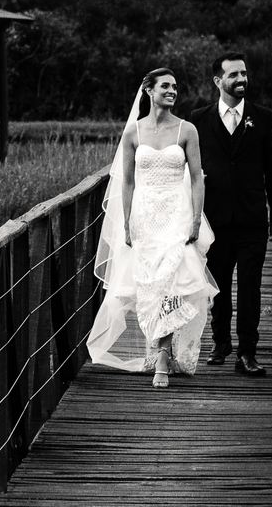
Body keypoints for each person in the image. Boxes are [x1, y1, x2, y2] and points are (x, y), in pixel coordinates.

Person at [88, 68, 218, 388]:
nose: (172, 91)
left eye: (175, 87)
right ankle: (161, 349)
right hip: (145, 214)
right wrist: (126, 222)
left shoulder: (186, 130)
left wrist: (195, 218)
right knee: (150, 285)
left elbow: (197, 177)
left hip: (177, 212)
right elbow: (127, 181)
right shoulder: (133, 132)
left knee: (172, 281)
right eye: (165, 86)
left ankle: (162, 355)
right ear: (149, 90)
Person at [189, 52, 272, 377]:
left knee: (250, 287)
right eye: (234, 75)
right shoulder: (198, 119)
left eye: (243, 73)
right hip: (214, 219)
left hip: (251, 217)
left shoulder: (263, 117)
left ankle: (247, 352)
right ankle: (220, 343)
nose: (242, 79)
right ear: (218, 81)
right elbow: (189, 168)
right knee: (217, 285)